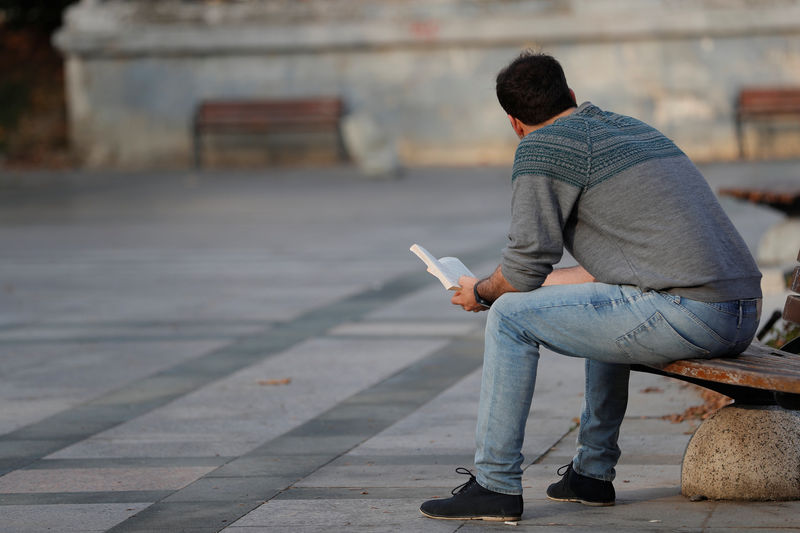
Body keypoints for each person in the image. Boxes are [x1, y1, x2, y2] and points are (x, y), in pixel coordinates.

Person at [419, 51, 762, 522]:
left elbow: (523, 268)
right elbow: (602, 273)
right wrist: (496, 284)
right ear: (573, 97)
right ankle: (591, 475)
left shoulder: (541, 147)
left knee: (507, 318)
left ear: (515, 123)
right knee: (601, 307)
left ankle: (495, 484)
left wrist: (482, 293)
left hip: (691, 312)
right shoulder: (631, 129)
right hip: (738, 310)